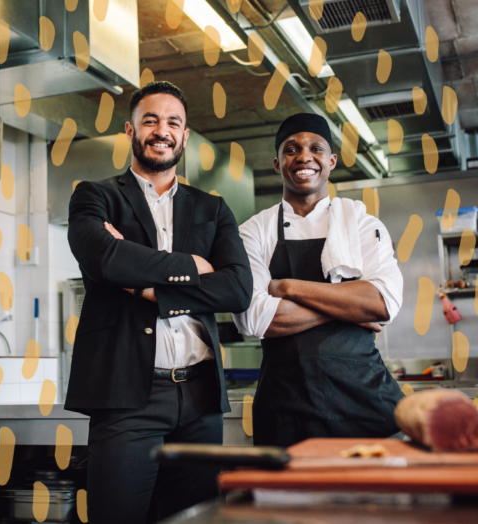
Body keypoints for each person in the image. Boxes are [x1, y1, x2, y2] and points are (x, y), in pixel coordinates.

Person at [65, 81, 253, 523]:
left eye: (173, 122)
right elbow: (104, 257)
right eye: (150, 120)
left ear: (185, 136)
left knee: (198, 518)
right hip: (128, 395)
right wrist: (194, 266)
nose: (161, 130)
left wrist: (146, 284)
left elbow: (237, 289)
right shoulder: (94, 196)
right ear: (130, 130)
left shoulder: (214, 208)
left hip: (201, 396)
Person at [232, 113, 404, 448]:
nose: (304, 157)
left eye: (316, 148)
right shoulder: (253, 231)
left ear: (331, 160)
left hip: (364, 401)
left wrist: (286, 287)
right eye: (291, 149)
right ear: (278, 163)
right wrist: (351, 306)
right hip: (284, 406)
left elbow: (383, 303)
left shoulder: (363, 224)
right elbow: (254, 318)